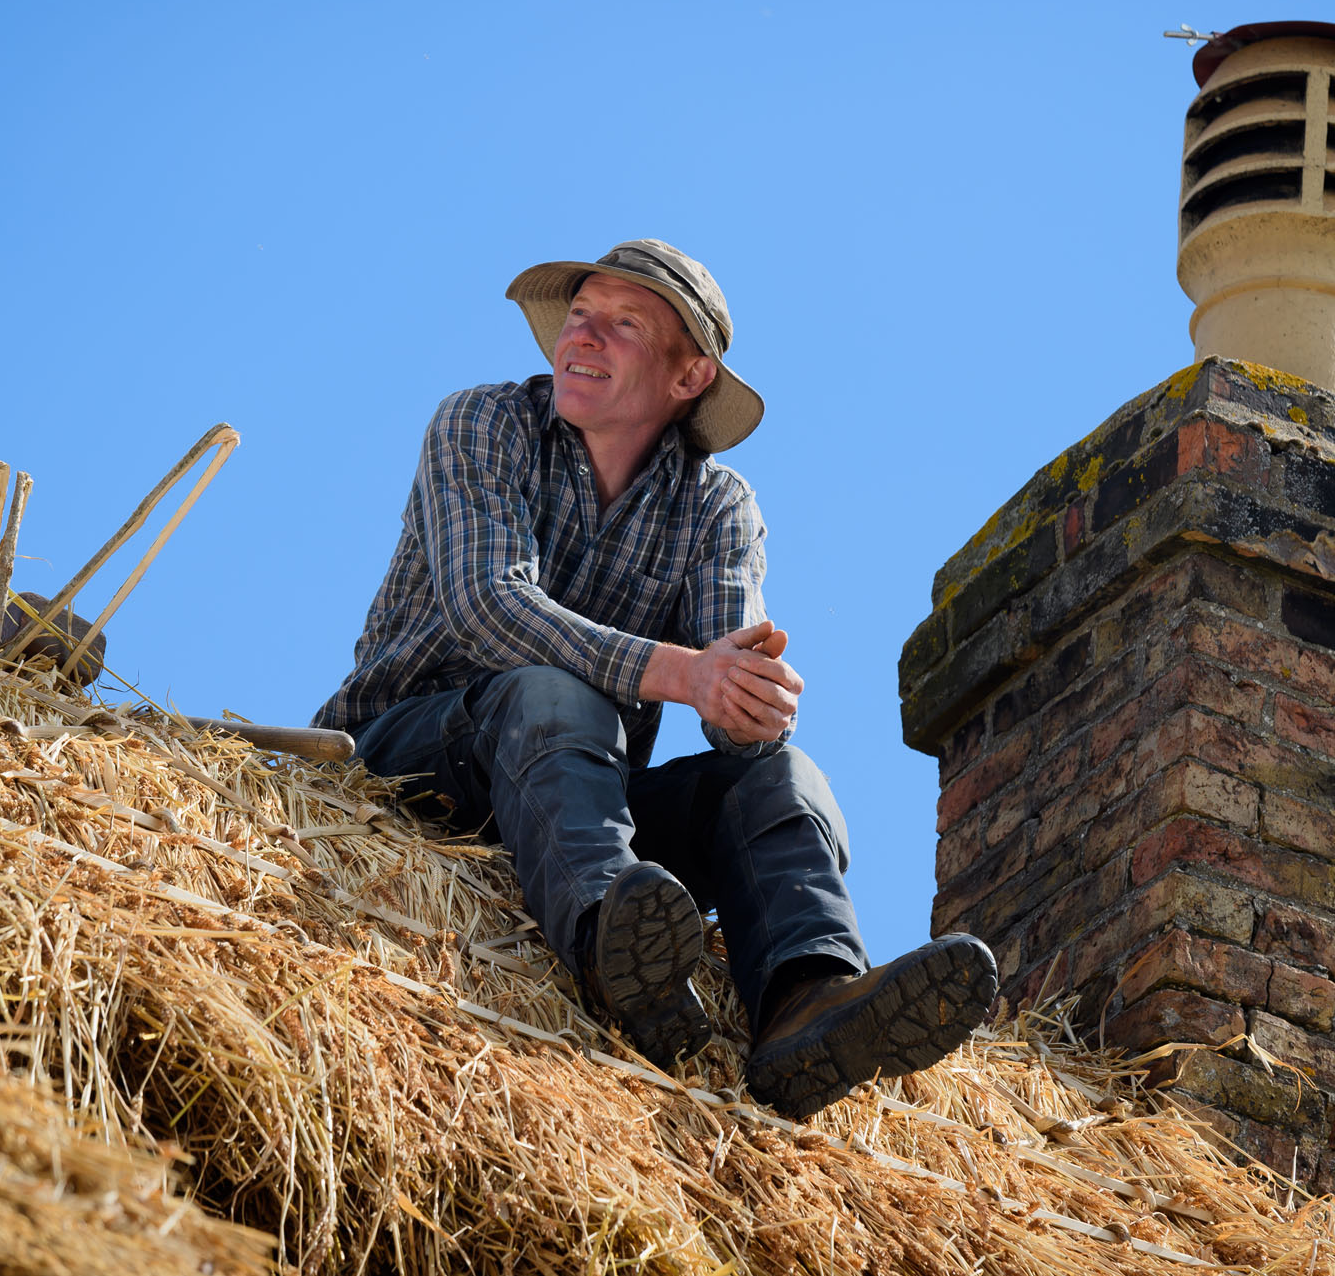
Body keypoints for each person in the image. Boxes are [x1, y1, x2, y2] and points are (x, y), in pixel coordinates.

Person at [314, 239, 995, 1118]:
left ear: (688, 378)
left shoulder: (718, 506)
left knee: (785, 778)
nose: (581, 339)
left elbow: (730, 689)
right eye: (580, 318)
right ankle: (610, 949)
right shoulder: (483, 423)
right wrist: (685, 673)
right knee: (553, 692)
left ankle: (808, 998)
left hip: (576, 800)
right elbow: (490, 606)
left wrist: (752, 703)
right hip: (410, 759)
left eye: (622, 326)